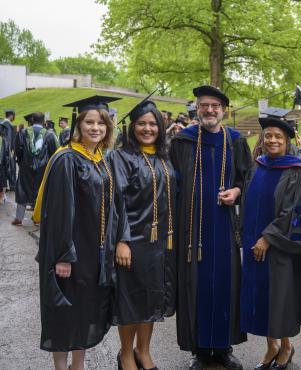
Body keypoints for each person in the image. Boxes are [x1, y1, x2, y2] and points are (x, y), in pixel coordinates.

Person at [35, 95, 121, 370]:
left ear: (108, 128)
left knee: (82, 310)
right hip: (70, 251)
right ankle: (62, 367)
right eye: (89, 122)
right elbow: (60, 211)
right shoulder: (67, 159)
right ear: (78, 124)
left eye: (101, 123)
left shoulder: (99, 158)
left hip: (91, 251)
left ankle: (78, 365)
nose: (95, 128)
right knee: (63, 312)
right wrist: (63, 255)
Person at [170, 85, 252, 370]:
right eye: (204, 105)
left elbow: (246, 177)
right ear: (197, 108)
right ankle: (201, 349)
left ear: (223, 110)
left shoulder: (236, 141)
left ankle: (224, 347)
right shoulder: (183, 141)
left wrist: (237, 192)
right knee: (197, 284)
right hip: (192, 227)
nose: (209, 110)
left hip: (225, 226)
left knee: (226, 283)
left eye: (215, 106)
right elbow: (171, 181)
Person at [111, 99, 177, 370]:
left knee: (151, 297)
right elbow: (117, 201)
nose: (147, 128)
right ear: (132, 127)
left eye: (152, 123)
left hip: (161, 242)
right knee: (129, 298)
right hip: (134, 241)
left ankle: (143, 351)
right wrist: (122, 240)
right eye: (141, 123)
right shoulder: (121, 157)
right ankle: (126, 354)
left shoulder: (163, 156)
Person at [241, 117, 301, 370]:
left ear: (287, 141)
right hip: (252, 244)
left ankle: (286, 346)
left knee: (278, 298)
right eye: (268, 136)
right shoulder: (258, 166)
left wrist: (267, 238)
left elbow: (294, 212)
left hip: (278, 246)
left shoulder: (295, 170)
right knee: (260, 298)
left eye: (278, 137)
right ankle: (271, 346)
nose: (272, 140)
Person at [12, 112, 58, 226]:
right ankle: (39, 218)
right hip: (43, 168)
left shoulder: (23, 132)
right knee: (41, 191)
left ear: (32, 119)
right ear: (44, 122)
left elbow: (18, 149)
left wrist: (22, 161)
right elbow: (54, 152)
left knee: (22, 189)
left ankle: (19, 218)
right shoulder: (49, 134)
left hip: (26, 167)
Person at [0, 109, 17, 190]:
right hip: (9, 149)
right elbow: (9, 139)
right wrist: (11, 149)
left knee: (3, 166)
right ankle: (12, 185)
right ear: (11, 115)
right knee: (10, 166)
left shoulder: (3, 124)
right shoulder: (7, 125)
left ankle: (4, 186)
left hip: (4, 149)